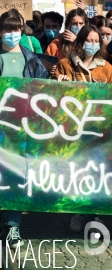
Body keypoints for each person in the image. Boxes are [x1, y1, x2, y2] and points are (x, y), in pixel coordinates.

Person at [0, 11, 48, 249]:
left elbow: (43, 87)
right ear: (0, 31)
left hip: (24, 128)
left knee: (18, 175)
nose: (12, 34)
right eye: (7, 29)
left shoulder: (32, 59)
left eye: (16, 29)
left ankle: (13, 226)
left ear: (22, 29)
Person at [53, 25, 112, 233]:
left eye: (97, 41)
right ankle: (76, 212)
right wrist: (58, 84)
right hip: (72, 132)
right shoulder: (65, 65)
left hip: (99, 133)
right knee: (76, 172)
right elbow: (50, 98)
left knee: (99, 172)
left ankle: (98, 214)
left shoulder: (107, 68)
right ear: (80, 42)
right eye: (90, 40)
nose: (93, 44)